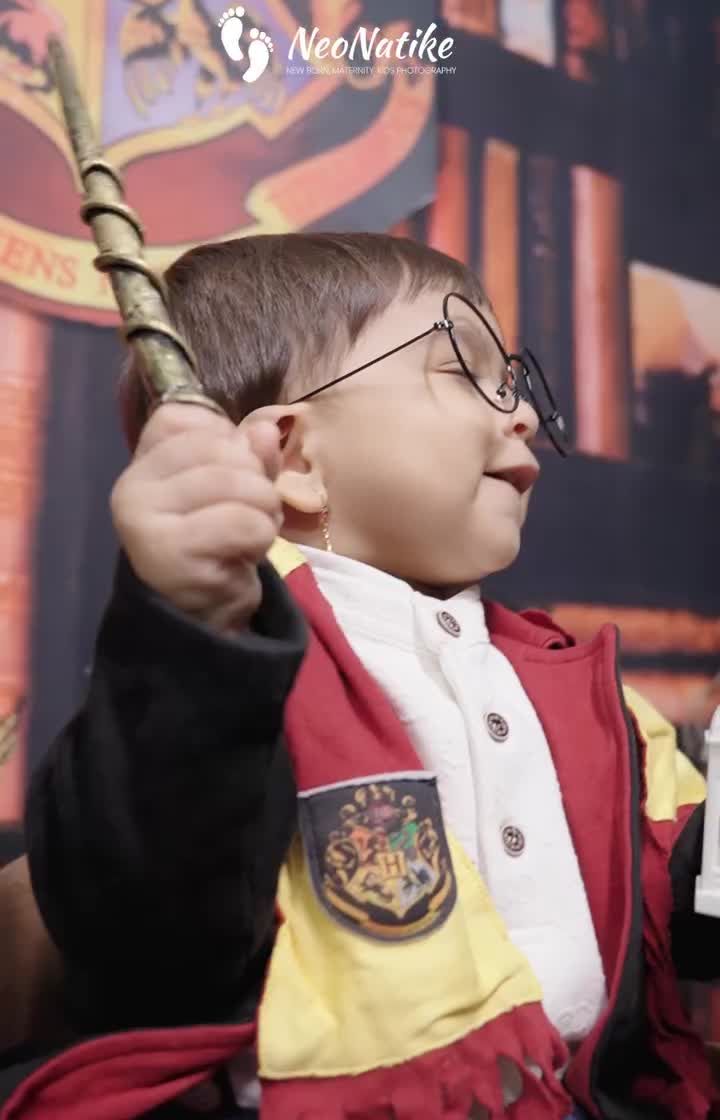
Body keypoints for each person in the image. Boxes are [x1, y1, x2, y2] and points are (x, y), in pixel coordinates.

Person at [0, 233, 715, 1120]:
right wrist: (189, 631)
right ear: (296, 460)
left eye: (514, 381)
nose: (523, 414)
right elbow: (143, 906)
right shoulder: (233, 675)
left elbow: (690, 904)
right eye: (464, 370)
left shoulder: (589, 698)